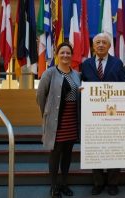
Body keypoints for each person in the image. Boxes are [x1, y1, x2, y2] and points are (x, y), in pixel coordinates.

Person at [81, 33, 125, 196]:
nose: (101, 45)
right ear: (93, 46)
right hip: (93, 115)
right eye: (98, 42)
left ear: (109, 46)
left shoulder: (118, 63)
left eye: (104, 42)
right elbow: (83, 85)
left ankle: (113, 183)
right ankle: (98, 182)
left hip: (113, 114)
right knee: (96, 148)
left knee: (114, 147)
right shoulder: (85, 64)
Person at [36, 42, 81, 198]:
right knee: (56, 153)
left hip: (72, 120)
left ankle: (64, 184)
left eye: (68, 53)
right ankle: (54, 186)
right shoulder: (49, 73)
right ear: (57, 54)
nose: (65, 55)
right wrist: (47, 114)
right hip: (56, 120)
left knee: (68, 153)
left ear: (72, 55)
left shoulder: (76, 74)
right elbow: (40, 96)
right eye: (62, 52)